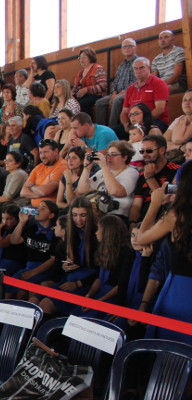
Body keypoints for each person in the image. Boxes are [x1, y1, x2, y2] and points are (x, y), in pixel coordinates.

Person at [137, 166, 192, 343]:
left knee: (172, 345)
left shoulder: (176, 215)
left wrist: (154, 204)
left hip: (181, 291)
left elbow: (142, 238)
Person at [76, 140, 139, 221]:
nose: (109, 157)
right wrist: (87, 169)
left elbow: (116, 191)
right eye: (108, 154)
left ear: (124, 157)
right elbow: (82, 190)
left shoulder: (131, 172)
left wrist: (104, 166)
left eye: (113, 155)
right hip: (96, 213)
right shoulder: (102, 171)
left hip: (116, 217)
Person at [95, 39, 138, 127]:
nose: (127, 48)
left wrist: (123, 92)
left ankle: (112, 128)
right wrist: (114, 93)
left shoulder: (138, 63)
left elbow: (137, 81)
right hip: (117, 93)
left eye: (130, 46)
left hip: (131, 92)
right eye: (124, 47)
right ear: (122, 50)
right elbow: (115, 82)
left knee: (117, 100)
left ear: (135, 48)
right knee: (99, 102)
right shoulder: (121, 65)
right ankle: (101, 128)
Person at [120, 57, 169, 132]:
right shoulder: (130, 89)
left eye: (142, 68)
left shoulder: (159, 83)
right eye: (135, 68)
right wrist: (126, 124)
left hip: (155, 121)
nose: (138, 71)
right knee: (111, 131)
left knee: (152, 131)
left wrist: (143, 122)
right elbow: (124, 112)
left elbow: (160, 108)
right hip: (134, 124)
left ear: (149, 68)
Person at [20, 139, 67, 207]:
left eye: (46, 152)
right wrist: (40, 193)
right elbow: (23, 192)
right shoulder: (39, 167)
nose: (42, 156)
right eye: (40, 152)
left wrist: (31, 186)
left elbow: (45, 191)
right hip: (33, 207)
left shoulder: (62, 165)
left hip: (50, 209)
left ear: (56, 151)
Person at [72, 47, 108, 116]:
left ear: (90, 57)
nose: (81, 59)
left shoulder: (98, 68)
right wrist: (71, 95)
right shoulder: (80, 72)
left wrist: (87, 90)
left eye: (84, 57)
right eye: (80, 57)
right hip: (83, 96)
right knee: (71, 103)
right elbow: (75, 88)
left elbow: (103, 86)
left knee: (82, 103)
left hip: (97, 95)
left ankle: (86, 124)